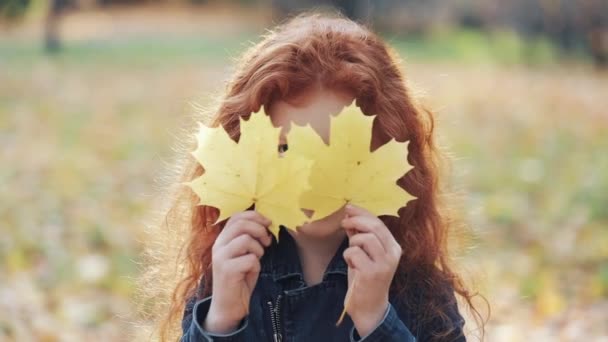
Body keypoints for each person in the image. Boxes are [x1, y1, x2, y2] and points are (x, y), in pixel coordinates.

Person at [145, 11, 486, 342]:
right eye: (285, 150)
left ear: (387, 152)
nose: (309, 180)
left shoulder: (417, 291)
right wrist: (221, 321)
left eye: (336, 153)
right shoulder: (225, 276)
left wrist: (376, 321)